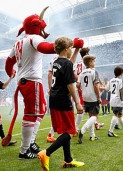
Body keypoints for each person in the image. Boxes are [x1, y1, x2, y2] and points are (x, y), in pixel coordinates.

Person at [5, 7, 84, 158]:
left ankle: (31, 142)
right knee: (31, 114)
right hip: (32, 80)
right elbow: (48, 48)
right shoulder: (34, 38)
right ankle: (24, 150)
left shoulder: (18, 43)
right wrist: (72, 43)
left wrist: (11, 73)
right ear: (36, 26)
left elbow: (9, 63)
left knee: (40, 110)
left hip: (24, 80)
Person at [37, 37, 85, 170]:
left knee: (64, 130)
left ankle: (68, 160)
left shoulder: (55, 62)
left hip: (54, 98)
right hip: (64, 100)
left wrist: (77, 49)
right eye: (70, 47)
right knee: (70, 131)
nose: (71, 49)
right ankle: (46, 153)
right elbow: (70, 84)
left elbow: (69, 64)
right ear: (66, 49)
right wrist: (78, 102)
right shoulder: (67, 64)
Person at [77, 55, 101, 143]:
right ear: (90, 62)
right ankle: (83, 130)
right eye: (93, 61)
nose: (94, 63)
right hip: (93, 96)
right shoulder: (94, 72)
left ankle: (92, 136)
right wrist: (98, 97)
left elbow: (78, 85)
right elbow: (95, 85)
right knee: (95, 116)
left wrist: (83, 90)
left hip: (85, 96)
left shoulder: (82, 73)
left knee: (91, 115)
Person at [105, 66, 123, 137]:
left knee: (119, 115)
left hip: (112, 99)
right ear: (121, 73)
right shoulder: (121, 80)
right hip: (118, 100)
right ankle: (110, 131)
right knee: (116, 115)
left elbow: (106, 89)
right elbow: (122, 91)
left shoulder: (111, 80)